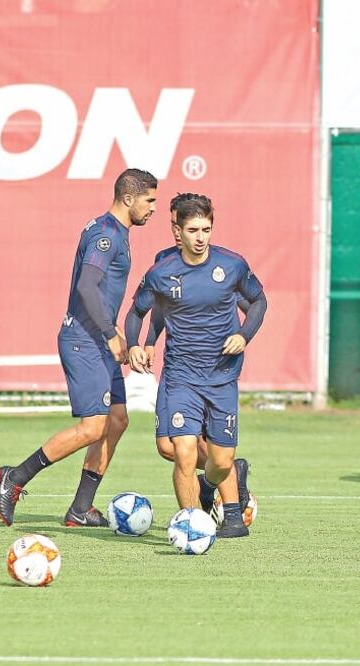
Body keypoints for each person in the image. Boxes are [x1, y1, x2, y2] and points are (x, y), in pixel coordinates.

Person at [0, 169, 158, 527]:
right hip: (84, 341)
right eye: (150, 200)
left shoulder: (115, 231)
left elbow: (99, 293)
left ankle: (80, 508)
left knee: (116, 421)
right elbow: (87, 285)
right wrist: (110, 333)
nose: (153, 208)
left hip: (99, 340)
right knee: (92, 427)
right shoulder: (106, 234)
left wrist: (116, 335)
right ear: (128, 198)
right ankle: (16, 477)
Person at [125, 194, 267, 538]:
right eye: (193, 230)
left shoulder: (231, 265)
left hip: (222, 375)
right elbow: (138, 312)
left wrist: (244, 335)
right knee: (182, 450)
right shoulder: (161, 271)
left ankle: (216, 485)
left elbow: (260, 301)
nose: (200, 236)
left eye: (206, 229)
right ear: (179, 231)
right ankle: (191, 525)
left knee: (220, 462)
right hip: (181, 376)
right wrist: (136, 343)